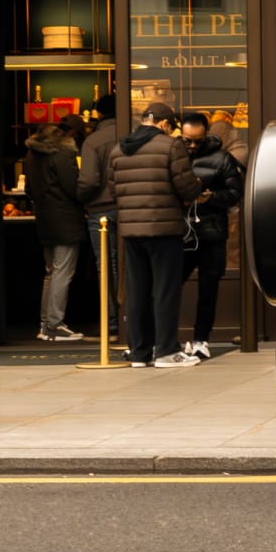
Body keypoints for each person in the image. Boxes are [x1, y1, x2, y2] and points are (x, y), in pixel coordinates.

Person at [105, 102, 203, 368]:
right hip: (163, 228)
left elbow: (113, 192)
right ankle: (166, 351)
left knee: (137, 291)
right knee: (165, 290)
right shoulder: (171, 146)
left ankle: (139, 352)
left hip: (131, 231)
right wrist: (199, 188)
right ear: (164, 123)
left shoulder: (118, 149)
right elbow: (185, 187)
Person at [177, 111, 246, 360]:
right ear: (180, 134)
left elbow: (235, 192)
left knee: (209, 288)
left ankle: (200, 338)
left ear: (206, 135)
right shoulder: (173, 156)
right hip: (180, 232)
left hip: (211, 231)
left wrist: (212, 198)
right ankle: (167, 339)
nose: (193, 145)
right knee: (169, 287)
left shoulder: (222, 158)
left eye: (198, 140)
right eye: (187, 140)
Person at [24, 118, 85, 342]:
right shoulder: (63, 155)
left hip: (45, 219)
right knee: (62, 272)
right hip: (66, 219)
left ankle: (45, 324)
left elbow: (29, 190)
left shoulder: (31, 156)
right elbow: (74, 188)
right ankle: (54, 325)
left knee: (51, 272)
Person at [75, 93, 121, 338]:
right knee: (130, 264)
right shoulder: (130, 134)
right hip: (128, 207)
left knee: (106, 265)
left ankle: (111, 320)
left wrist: (80, 198)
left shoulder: (93, 140)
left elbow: (89, 180)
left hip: (100, 210)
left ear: (100, 114)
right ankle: (129, 318)